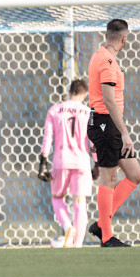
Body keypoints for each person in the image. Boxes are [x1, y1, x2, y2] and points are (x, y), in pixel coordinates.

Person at [86, 19, 140, 247]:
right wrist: (125, 133)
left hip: (106, 123)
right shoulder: (108, 61)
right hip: (105, 123)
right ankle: (107, 237)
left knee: (135, 174)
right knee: (109, 178)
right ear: (124, 38)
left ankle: (101, 223)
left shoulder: (99, 55)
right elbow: (108, 101)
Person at [38, 79, 99, 248]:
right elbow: (93, 142)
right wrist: (96, 163)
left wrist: (43, 161)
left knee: (57, 197)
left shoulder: (55, 110)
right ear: (84, 94)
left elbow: (48, 138)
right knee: (80, 203)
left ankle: (67, 227)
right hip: (81, 162)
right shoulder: (88, 112)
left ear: (69, 91)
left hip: (61, 161)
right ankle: (77, 244)